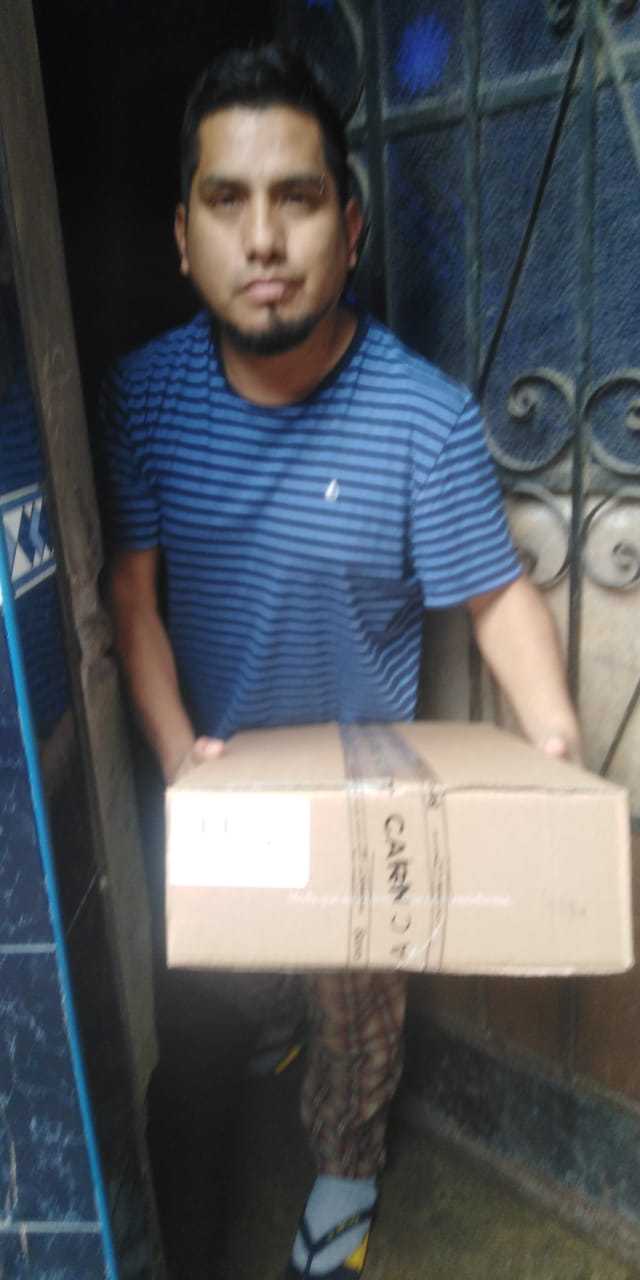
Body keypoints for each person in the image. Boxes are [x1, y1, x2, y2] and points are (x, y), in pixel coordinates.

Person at [104, 43, 580, 1280]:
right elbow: (131, 596)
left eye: (299, 198)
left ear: (351, 229)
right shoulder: (142, 398)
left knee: (358, 1021)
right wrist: (179, 759)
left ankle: (347, 1169)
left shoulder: (422, 418)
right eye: (227, 200)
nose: (263, 238)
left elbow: (496, 596)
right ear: (183, 237)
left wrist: (555, 747)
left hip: (367, 804)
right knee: (205, 1027)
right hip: (219, 784)